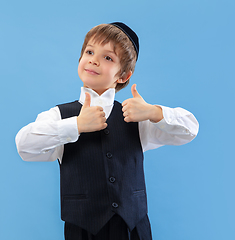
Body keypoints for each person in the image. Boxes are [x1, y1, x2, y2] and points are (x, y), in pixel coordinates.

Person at [15, 22, 199, 240]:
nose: (94, 59)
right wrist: (76, 125)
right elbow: (24, 145)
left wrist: (154, 112)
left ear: (123, 76)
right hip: (83, 231)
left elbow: (190, 129)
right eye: (90, 51)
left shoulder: (136, 117)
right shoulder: (60, 116)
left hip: (133, 230)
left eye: (108, 57)